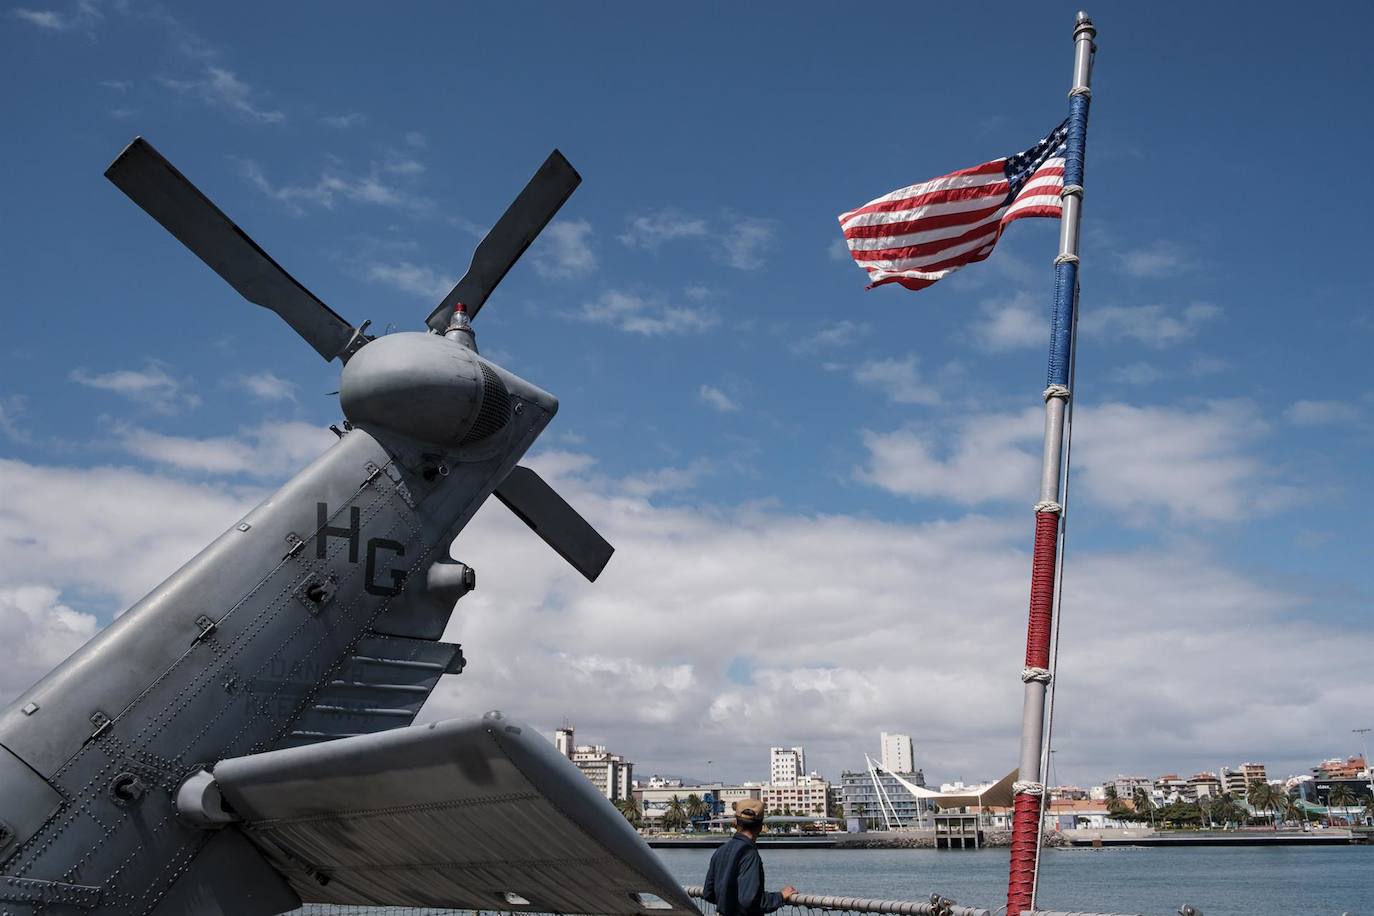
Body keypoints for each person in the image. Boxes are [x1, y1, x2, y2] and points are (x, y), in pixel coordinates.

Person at [702, 800, 797, 916]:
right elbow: (749, 901)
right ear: (761, 827)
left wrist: (729, 901)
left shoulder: (720, 851)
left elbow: (708, 893)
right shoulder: (750, 854)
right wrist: (780, 897)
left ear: (735, 823)